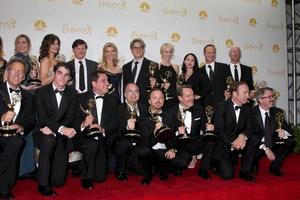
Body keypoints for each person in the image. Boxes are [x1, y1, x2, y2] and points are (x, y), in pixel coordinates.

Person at [34, 62, 77, 196]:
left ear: (69, 78)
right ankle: (43, 184)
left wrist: (58, 130)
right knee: (48, 141)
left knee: (59, 181)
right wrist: (61, 129)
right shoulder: (41, 92)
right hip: (43, 132)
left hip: (59, 135)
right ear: (54, 73)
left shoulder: (72, 93)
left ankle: (44, 172)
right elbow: (42, 118)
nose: (62, 78)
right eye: (59, 73)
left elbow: (70, 117)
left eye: (66, 75)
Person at [74, 69, 118, 189]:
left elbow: (115, 123)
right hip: (84, 137)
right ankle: (85, 177)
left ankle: (83, 167)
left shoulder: (113, 100)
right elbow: (73, 120)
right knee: (92, 144)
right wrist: (84, 124)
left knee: (100, 178)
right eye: (103, 80)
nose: (107, 83)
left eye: (107, 81)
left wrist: (102, 129)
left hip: (103, 139)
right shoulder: (80, 98)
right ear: (94, 84)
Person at [0, 58, 35, 199]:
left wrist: (21, 127)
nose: (17, 74)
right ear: (7, 72)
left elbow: (31, 120)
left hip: (13, 136)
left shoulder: (28, 96)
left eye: (21, 72)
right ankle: (3, 184)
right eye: (14, 70)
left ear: (24, 76)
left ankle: (3, 184)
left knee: (17, 141)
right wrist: (1, 119)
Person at [214, 81, 258, 182]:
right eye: (245, 93)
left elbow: (250, 128)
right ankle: (216, 163)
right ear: (234, 94)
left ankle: (244, 171)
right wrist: (232, 143)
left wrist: (243, 135)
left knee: (254, 139)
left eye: (248, 92)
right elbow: (219, 131)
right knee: (227, 175)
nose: (248, 95)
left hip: (239, 143)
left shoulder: (248, 108)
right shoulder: (221, 106)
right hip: (224, 146)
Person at [168, 85, 216, 179]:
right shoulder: (171, 112)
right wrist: (178, 133)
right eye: (188, 96)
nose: (192, 98)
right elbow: (168, 135)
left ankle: (203, 169)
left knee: (211, 139)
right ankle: (188, 158)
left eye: (192, 95)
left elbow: (203, 126)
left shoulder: (199, 109)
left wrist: (208, 128)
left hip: (194, 142)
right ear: (180, 98)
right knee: (180, 164)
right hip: (180, 144)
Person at [142, 88, 190, 180]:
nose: (158, 100)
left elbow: (173, 137)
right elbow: (145, 142)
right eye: (155, 98)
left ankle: (161, 168)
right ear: (149, 101)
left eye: (161, 98)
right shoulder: (143, 118)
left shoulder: (169, 116)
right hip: (152, 151)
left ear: (164, 100)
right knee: (146, 154)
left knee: (185, 160)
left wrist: (172, 149)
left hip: (165, 150)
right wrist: (156, 132)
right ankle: (160, 169)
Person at [113, 83, 152, 185]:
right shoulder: (118, 109)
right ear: (125, 94)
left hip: (140, 140)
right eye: (130, 91)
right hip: (124, 140)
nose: (134, 94)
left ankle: (147, 175)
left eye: (136, 91)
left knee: (146, 150)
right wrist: (127, 127)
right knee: (123, 144)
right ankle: (120, 170)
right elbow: (116, 131)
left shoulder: (144, 108)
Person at [251, 87, 295, 176]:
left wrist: (284, 133)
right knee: (253, 142)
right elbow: (251, 134)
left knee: (289, 141)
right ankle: (253, 164)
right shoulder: (251, 113)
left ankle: (275, 167)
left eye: (273, 96)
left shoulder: (278, 112)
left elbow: (289, 130)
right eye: (269, 97)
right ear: (260, 99)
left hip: (272, 141)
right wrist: (265, 148)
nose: (273, 99)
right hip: (258, 144)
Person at [11, 34, 38, 178]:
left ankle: (28, 168)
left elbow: (35, 79)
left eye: (24, 42)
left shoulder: (32, 60)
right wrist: (24, 89)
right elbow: (9, 80)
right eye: (19, 42)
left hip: (31, 97)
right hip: (18, 96)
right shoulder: (13, 60)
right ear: (16, 45)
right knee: (17, 130)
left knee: (29, 130)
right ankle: (18, 169)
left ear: (28, 44)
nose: (22, 45)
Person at [122, 38, 158, 107]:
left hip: (146, 104)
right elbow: (124, 87)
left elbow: (156, 88)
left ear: (144, 49)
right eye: (135, 48)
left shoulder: (153, 65)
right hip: (129, 105)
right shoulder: (125, 67)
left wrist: (153, 85)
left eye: (141, 47)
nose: (138, 50)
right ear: (131, 50)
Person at [197, 44, 228, 108]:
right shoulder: (198, 71)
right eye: (209, 53)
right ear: (204, 54)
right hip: (205, 105)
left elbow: (230, 84)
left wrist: (229, 92)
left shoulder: (224, 67)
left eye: (213, 53)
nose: (211, 55)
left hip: (222, 104)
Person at [157, 43, 178, 110]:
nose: (168, 54)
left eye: (170, 52)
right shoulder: (157, 66)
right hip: (161, 100)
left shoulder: (176, 67)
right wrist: (163, 85)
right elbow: (154, 85)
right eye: (166, 52)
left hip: (174, 100)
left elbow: (177, 84)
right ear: (161, 53)